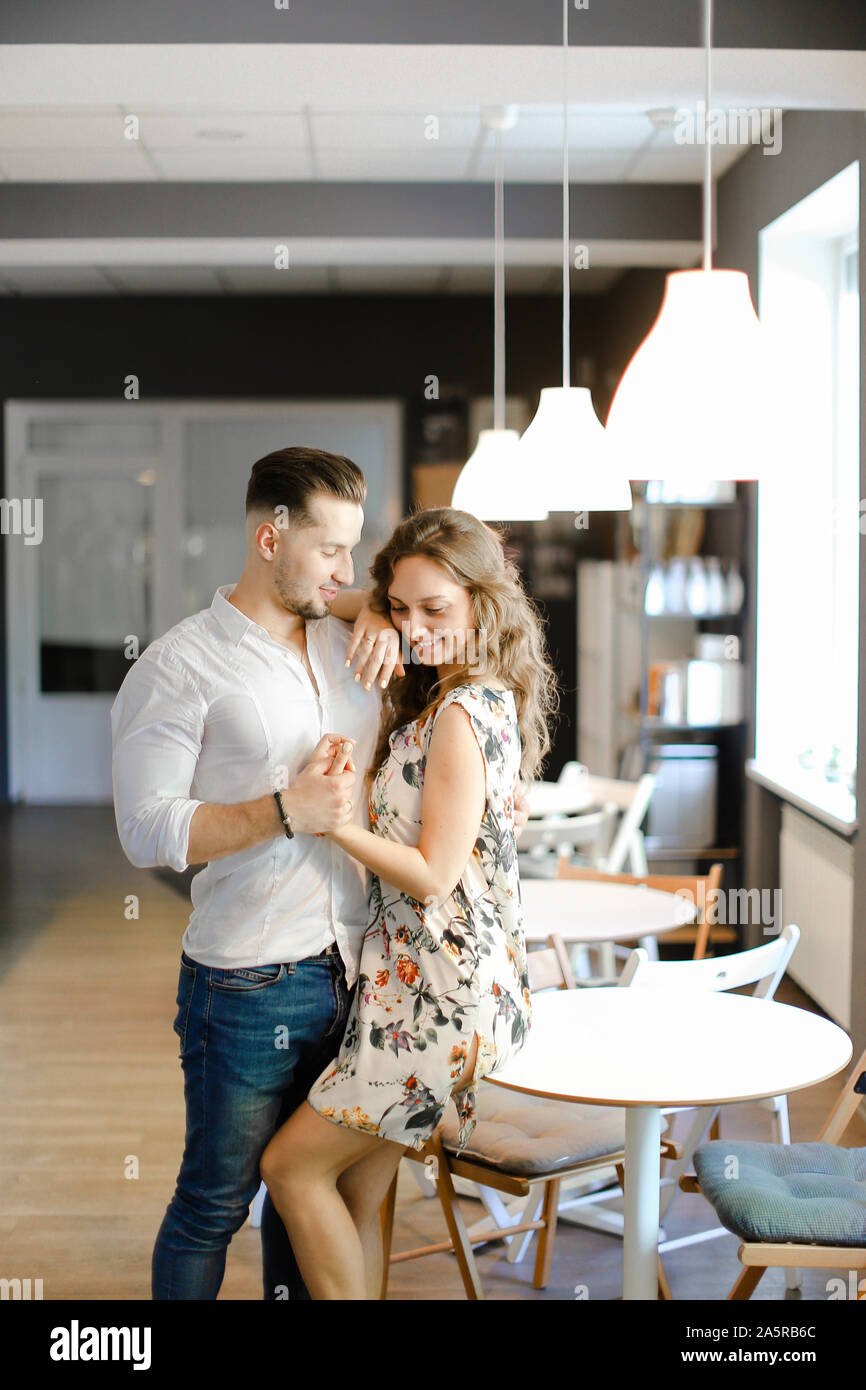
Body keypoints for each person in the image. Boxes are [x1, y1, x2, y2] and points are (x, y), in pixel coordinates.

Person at [110, 445, 408, 1300]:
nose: (346, 569)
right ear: (270, 538)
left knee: (299, 1193)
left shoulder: (349, 635)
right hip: (245, 981)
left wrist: (375, 608)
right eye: (330, 550)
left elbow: (418, 610)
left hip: (355, 969)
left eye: (354, 550)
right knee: (215, 1202)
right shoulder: (178, 667)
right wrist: (286, 809)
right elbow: (147, 829)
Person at [259, 506, 559, 1300]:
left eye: (437, 609)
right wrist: (387, 616)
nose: (416, 626)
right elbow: (337, 599)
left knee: (288, 1170)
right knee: (359, 1193)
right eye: (403, 605)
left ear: (481, 606)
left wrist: (338, 825)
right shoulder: (484, 692)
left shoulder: (458, 717)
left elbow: (433, 874)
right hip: (431, 988)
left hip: (436, 1001)